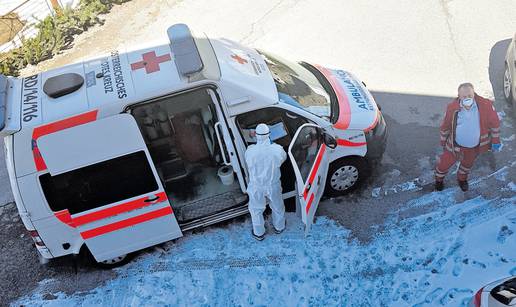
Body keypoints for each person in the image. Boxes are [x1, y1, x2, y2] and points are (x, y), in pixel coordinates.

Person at [435, 83, 502, 192]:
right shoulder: (453, 108)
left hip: (473, 148)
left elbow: (494, 123)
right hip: (454, 146)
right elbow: (445, 125)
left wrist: (496, 140)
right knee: (443, 165)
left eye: (470, 96)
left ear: (474, 94)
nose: (467, 98)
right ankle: (439, 180)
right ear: (459, 96)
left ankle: (462, 180)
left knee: (466, 165)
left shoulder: (485, 106)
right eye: (464, 97)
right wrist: (443, 141)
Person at [245, 123, 287, 241]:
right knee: (277, 206)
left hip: (256, 186)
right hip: (272, 185)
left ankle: (259, 233)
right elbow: (283, 158)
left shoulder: (250, 151)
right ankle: (279, 227)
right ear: (269, 135)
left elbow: (247, 162)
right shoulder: (277, 149)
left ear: (256, 136)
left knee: (256, 210)